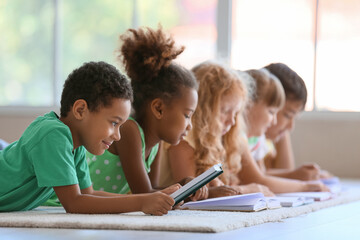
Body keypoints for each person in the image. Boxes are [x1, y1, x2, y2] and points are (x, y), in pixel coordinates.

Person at [0, 61, 177, 215]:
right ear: (80, 110)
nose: (117, 136)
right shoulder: (53, 134)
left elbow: (87, 194)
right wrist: (141, 203)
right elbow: (74, 203)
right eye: (114, 123)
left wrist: (150, 198)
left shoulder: (75, 146)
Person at [160, 61, 328, 199]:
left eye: (235, 113)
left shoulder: (227, 138)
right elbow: (191, 195)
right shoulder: (185, 140)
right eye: (225, 111)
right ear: (204, 110)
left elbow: (221, 187)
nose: (232, 122)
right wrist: (247, 190)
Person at [87, 27, 207, 200]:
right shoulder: (129, 130)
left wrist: (185, 185)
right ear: (158, 108)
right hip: (62, 202)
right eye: (187, 115)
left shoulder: (155, 142)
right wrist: (188, 191)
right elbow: (143, 194)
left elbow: (152, 189)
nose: (190, 125)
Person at [253, 63, 332, 181]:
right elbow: (256, 177)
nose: (291, 126)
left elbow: (284, 170)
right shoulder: (249, 138)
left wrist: (282, 130)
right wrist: (297, 176)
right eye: (287, 115)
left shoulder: (266, 141)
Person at [244, 68, 285, 160]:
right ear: (248, 105)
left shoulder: (257, 139)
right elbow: (256, 175)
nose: (274, 121)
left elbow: (261, 172)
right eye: (271, 112)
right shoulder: (238, 138)